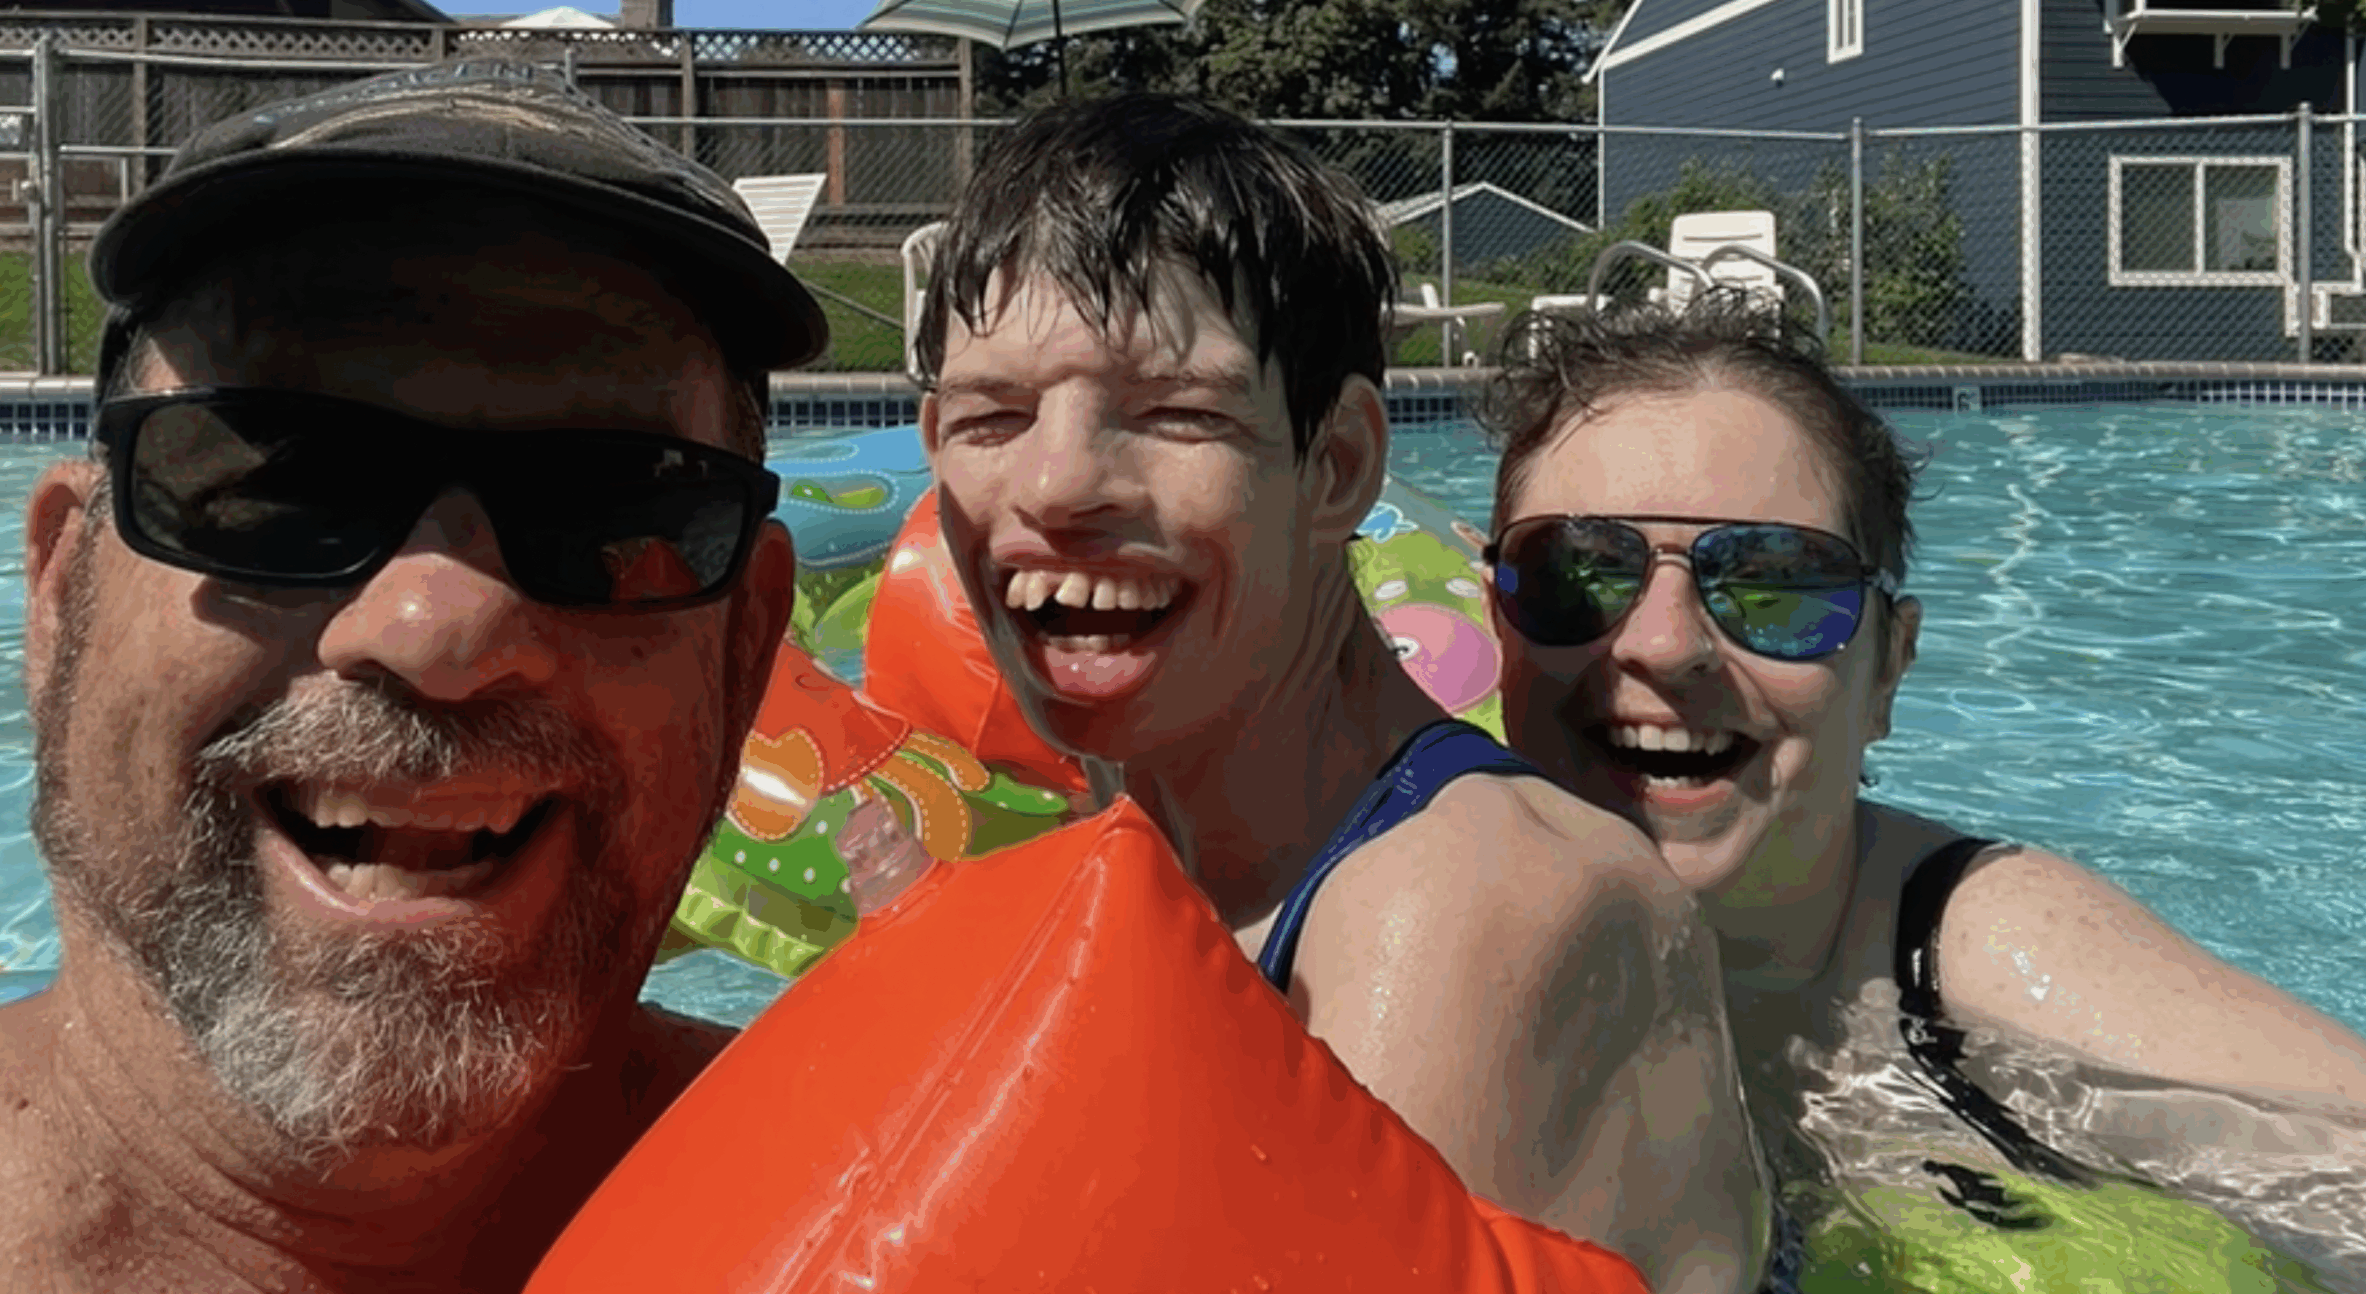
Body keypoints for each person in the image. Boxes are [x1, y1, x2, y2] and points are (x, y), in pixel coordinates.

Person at [0, 60, 816, 1292]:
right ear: (61, 598)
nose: (439, 631)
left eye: (613, 508)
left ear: (747, 653)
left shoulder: (946, 1223)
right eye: (280, 485)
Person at [913, 93, 1767, 1294]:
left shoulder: (1461, 913)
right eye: (992, 417)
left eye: (1176, 413)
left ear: (1339, 464)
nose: (1054, 486)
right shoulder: (1147, 805)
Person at [1477, 296, 2366, 1236]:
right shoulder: (1408, 900)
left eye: (1775, 584)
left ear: (1888, 669)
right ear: (1496, 624)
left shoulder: (1981, 967)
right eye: (1580, 573)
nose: (1663, 644)